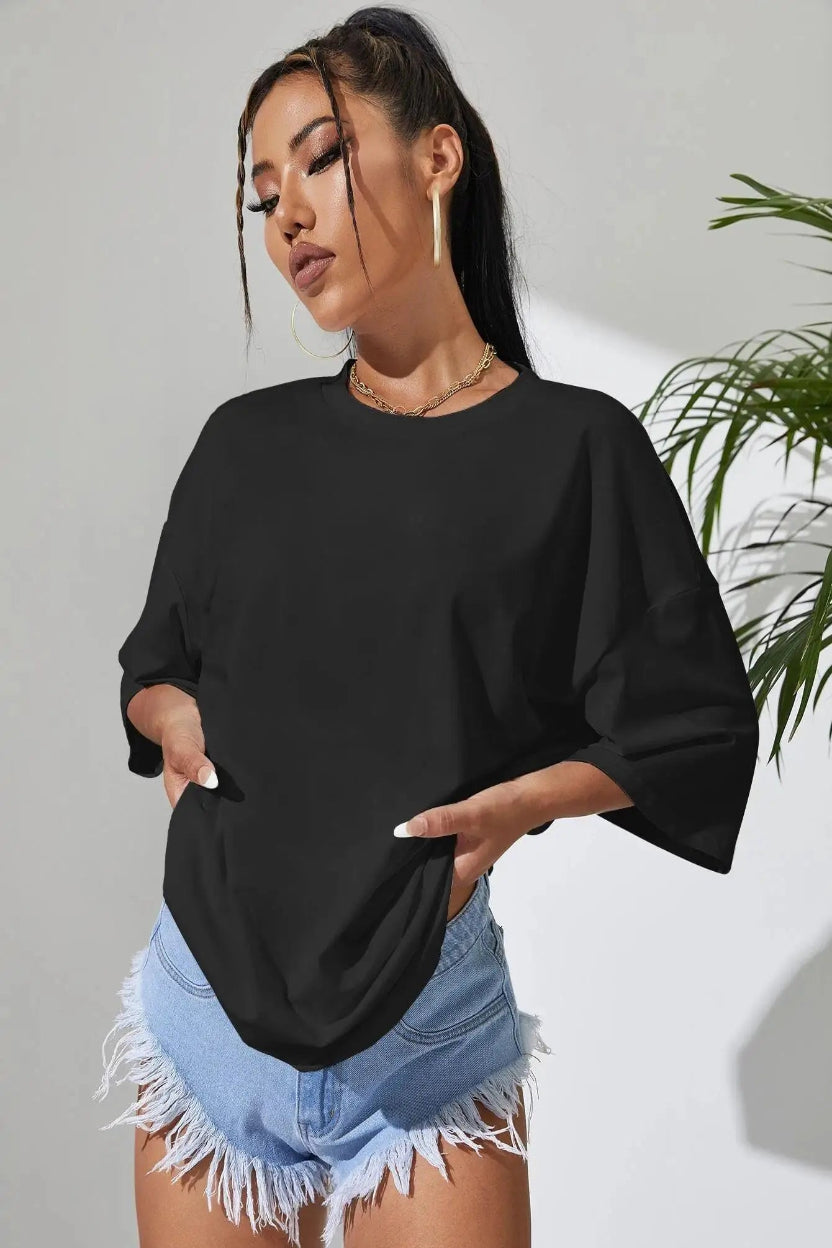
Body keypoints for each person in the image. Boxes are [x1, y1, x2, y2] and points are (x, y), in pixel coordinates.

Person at [93, 8, 760, 1248]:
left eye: (321, 159)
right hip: (205, 1003)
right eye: (264, 194)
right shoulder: (244, 447)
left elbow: (691, 721)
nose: (288, 215)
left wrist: (519, 805)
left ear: (437, 157)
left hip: (426, 1029)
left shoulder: (575, 449)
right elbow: (158, 663)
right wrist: (168, 716)